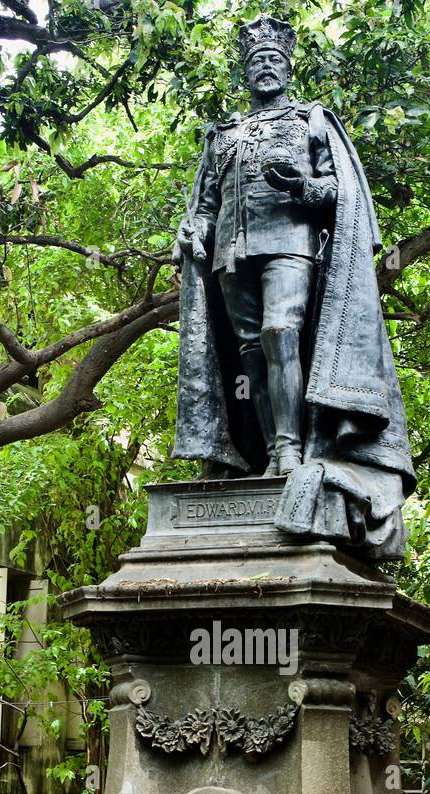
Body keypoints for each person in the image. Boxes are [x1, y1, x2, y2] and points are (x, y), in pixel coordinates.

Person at [173, 15, 416, 562]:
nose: (265, 67)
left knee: (283, 331)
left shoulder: (312, 122)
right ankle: (265, 455)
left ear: (287, 67)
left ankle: (289, 451)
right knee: (253, 352)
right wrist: (195, 228)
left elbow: (341, 193)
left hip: (290, 245)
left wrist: (303, 186)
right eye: (256, 60)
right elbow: (206, 206)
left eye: (274, 60)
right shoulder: (224, 134)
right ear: (245, 69)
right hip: (232, 255)